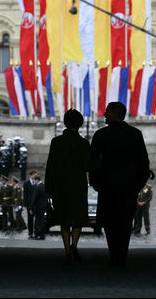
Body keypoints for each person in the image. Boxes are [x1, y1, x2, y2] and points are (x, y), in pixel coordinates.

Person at [89, 101, 150, 266]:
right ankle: (122, 255)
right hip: (128, 189)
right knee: (125, 223)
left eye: (107, 111)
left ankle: (114, 255)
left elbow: (93, 162)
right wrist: (137, 185)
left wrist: (94, 183)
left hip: (107, 188)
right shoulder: (135, 134)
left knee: (110, 224)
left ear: (116, 114)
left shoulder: (101, 135)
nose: (104, 114)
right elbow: (144, 163)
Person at [45, 109, 95, 265]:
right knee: (77, 219)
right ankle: (74, 245)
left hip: (60, 187)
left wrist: (49, 188)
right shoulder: (83, 143)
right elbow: (88, 166)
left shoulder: (56, 142)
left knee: (64, 220)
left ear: (65, 123)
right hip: (78, 186)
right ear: (80, 124)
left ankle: (67, 250)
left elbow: (50, 166)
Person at [30, 175, 47, 240]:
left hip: (38, 207)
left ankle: (37, 235)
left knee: (37, 221)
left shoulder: (38, 187)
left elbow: (34, 198)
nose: (34, 182)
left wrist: (31, 207)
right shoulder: (44, 186)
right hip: (43, 207)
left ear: (37, 180)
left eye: (34, 180)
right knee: (42, 221)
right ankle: (42, 235)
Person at [23, 170, 37, 239]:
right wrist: (25, 204)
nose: (35, 176)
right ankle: (30, 233)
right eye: (34, 175)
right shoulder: (26, 183)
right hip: (29, 204)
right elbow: (25, 194)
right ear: (31, 175)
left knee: (37, 219)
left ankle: (36, 232)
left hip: (36, 204)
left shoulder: (36, 183)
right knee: (30, 219)